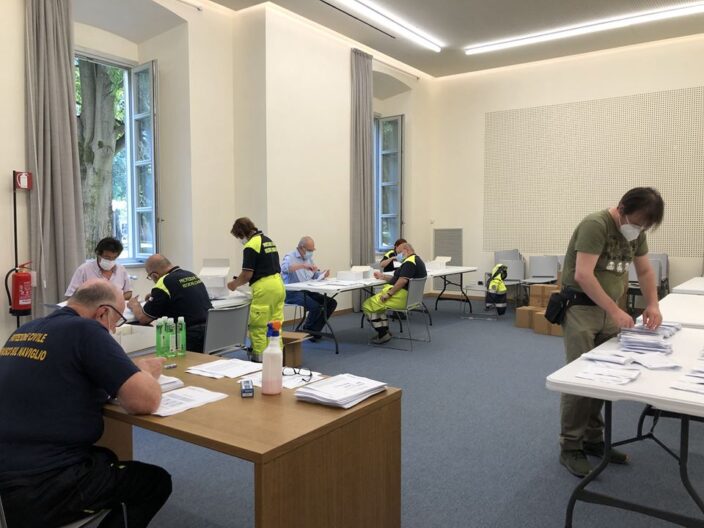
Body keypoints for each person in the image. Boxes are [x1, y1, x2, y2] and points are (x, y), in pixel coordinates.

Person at [0, 279, 171, 528]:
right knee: (153, 483)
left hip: (9, 475)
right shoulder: (87, 330)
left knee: (106, 456)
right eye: (117, 321)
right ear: (103, 312)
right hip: (41, 486)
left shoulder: (25, 330)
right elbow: (145, 401)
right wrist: (144, 372)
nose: (113, 331)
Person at [558, 187, 664, 478]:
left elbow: (645, 271)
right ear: (622, 208)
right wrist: (616, 311)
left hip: (609, 311)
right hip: (581, 309)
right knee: (580, 379)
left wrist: (652, 304)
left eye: (645, 227)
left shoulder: (636, 232)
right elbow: (583, 275)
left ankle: (593, 440)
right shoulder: (596, 225)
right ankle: (570, 446)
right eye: (637, 223)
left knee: (602, 378)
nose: (638, 230)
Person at [227, 217, 285, 362]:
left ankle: (259, 360)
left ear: (241, 233)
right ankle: (277, 357)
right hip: (278, 285)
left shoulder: (251, 245)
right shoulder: (268, 240)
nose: (240, 240)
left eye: (239, 236)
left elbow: (247, 275)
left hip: (264, 288)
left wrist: (234, 284)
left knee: (259, 325)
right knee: (275, 324)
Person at [127, 254, 212, 353]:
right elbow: (182, 295)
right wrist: (157, 296)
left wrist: (134, 305)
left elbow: (144, 319)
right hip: (210, 331)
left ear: (154, 275)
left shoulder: (163, 282)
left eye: (150, 277)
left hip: (188, 337)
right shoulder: (190, 275)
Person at [363, 242, 427, 344]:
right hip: (412, 298)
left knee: (367, 305)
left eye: (399, 253)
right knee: (378, 306)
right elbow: (398, 278)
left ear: (406, 250)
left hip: (402, 297)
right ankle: (385, 331)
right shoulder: (416, 260)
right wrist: (383, 276)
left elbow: (402, 281)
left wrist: (388, 294)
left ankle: (382, 333)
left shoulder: (409, 263)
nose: (398, 256)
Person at [281, 236, 336, 340]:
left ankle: (313, 330)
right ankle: (309, 329)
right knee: (316, 306)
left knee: (331, 303)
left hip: (307, 290)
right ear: (302, 248)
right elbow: (284, 269)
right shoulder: (289, 257)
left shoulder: (308, 258)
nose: (311, 253)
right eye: (310, 250)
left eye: (312, 250)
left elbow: (314, 274)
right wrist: (302, 266)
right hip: (291, 292)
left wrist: (322, 274)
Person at [65, 237, 132, 300]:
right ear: (98, 253)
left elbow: (128, 292)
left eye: (114, 258)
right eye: (107, 257)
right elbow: (70, 296)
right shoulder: (84, 270)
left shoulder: (121, 270)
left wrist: (115, 300)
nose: (110, 261)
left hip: (116, 306)